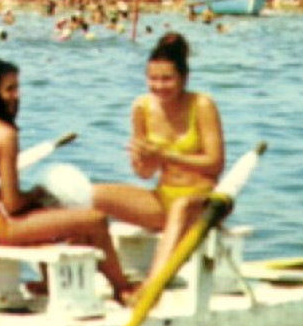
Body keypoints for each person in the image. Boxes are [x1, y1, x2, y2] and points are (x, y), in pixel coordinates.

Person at [0, 58, 135, 304]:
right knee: (94, 220)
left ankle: (48, 282)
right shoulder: (4, 134)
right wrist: (37, 193)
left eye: (17, 88)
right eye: (10, 89)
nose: (17, 96)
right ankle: (123, 289)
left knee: (50, 214)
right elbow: (13, 205)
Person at [92, 33, 225, 290]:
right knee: (90, 195)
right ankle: (114, 280)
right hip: (162, 197)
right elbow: (144, 174)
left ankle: (152, 285)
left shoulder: (202, 105)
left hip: (201, 201)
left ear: (184, 78)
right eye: (153, 79)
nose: (159, 86)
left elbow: (215, 163)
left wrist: (164, 155)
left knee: (182, 207)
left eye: (167, 79)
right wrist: (143, 160)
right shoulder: (141, 107)